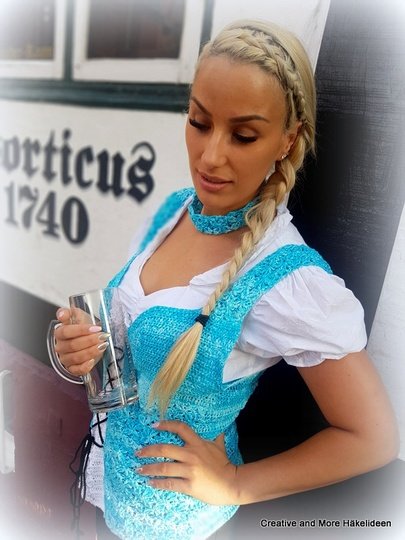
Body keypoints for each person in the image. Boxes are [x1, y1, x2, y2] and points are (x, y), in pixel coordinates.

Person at [52, 19, 398, 540]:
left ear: (287, 140)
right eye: (199, 122)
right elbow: (126, 337)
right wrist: (73, 347)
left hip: (183, 528)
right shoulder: (175, 211)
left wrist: (236, 484)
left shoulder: (284, 279)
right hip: (107, 502)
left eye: (243, 135)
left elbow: (372, 438)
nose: (211, 157)